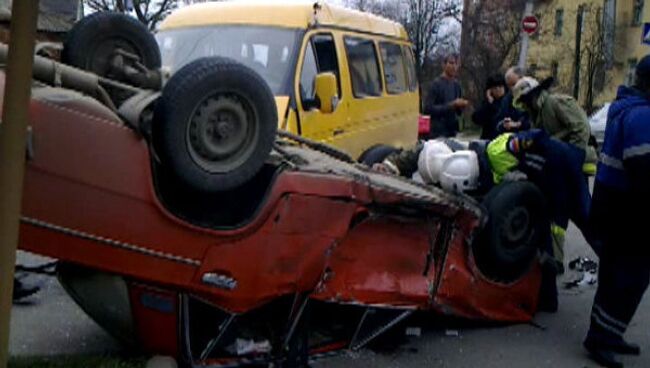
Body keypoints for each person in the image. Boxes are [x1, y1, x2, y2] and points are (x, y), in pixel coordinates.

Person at [583, 55, 650, 368]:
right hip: (628, 210)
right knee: (629, 276)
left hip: (614, 204)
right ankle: (602, 340)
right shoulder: (642, 116)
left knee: (616, 275)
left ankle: (605, 334)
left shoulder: (625, 108)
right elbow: (643, 170)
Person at [423, 54, 469, 138]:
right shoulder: (436, 84)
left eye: (456, 64)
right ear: (444, 65)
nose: (454, 66)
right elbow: (427, 109)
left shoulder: (456, 85)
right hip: (437, 132)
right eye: (451, 63)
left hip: (452, 131)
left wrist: (461, 106)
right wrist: (451, 105)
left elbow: (458, 112)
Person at [472, 74, 507, 140]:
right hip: (488, 138)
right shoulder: (487, 102)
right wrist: (489, 103)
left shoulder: (508, 102)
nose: (498, 89)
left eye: (500, 86)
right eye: (494, 87)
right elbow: (476, 119)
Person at [499, 66, 531, 132]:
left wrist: (518, 124)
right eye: (509, 86)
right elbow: (498, 122)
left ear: (522, 79)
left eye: (514, 84)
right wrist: (504, 124)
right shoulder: (507, 100)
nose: (512, 88)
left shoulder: (533, 96)